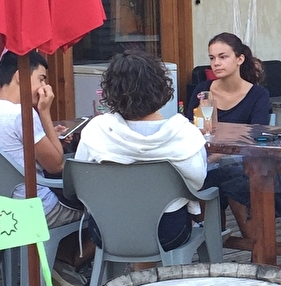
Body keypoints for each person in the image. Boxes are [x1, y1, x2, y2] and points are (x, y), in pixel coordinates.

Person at [75, 51, 208, 251]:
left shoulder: (96, 130)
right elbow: (198, 181)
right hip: (168, 233)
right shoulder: (186, 133)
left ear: (110, 90)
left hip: (107, 231)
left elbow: (81, 182)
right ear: (161, 86)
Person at [0, 50, 82, 229]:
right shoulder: (22, 115)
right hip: (36, 209)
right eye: (41, 79)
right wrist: (44, 112)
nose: (45, 87)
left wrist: (50, 137)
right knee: (97, 208)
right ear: (21, 76)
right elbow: (56, 165)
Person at [185, 32, 271, 126]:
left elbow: (259, 131)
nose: (216, 63)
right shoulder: (202, 90)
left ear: (240, 59)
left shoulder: (258, 94)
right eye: (212, 58)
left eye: (223, 57)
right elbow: (189, 128)